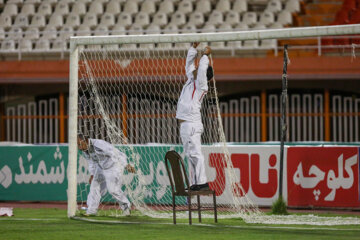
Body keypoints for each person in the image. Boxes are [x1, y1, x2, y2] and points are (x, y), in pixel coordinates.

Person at [176, 43, 214, 191]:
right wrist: (193, 50)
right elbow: (188, 65)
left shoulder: (201, 86)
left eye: (198, 70)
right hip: (185, 124)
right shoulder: (190, 81)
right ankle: (194, 183)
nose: (196, 70)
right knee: (190, 155)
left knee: (196, 154)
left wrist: (205, 55)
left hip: (192, 123)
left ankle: (202, 182)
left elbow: (203, 69)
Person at [77, 134, 136, 216]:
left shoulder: (99, 144)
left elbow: (117, 154)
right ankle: (91, 210)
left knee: (113, 190)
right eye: (77, 145)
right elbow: (91, 162)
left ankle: (126, 207)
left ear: (86, 141)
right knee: (94, 186)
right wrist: (92, 174)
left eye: (80, 144)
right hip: (100, 168)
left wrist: (126, 165)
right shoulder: (85, 150)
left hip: (113, 167)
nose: (79, 147)